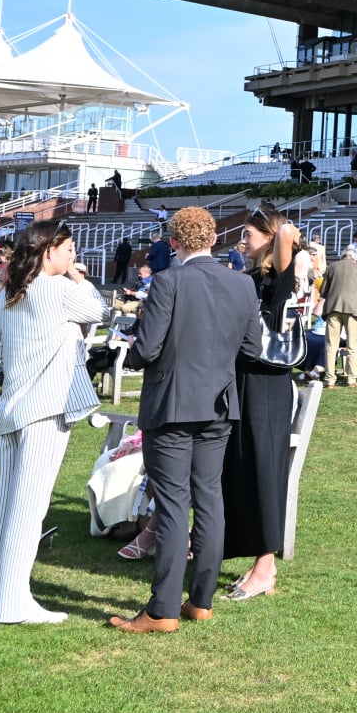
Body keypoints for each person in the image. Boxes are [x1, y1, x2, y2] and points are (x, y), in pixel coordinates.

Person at [109, 207, 262, 634]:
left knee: (175, 505)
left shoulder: (169, 280)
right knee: (209, 499)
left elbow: (149, 348)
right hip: (218, 404)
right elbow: (250, 348)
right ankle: (201, 600)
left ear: (174, 242)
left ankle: (161, 610)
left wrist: (129, 348)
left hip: (174, 405)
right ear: (212, 239)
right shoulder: (242, 283)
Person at [0, 222, 107, 624]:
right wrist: (75, 276)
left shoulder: (7, 294)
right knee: (28, 509)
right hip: (45, 409)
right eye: (68, 249)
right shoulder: (58, 289)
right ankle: (12, 601)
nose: (73, 257)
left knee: (0, 507)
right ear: (49, 251)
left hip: (12, 409)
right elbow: (98, 309)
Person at [222, 203, 301, 603]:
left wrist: (280, 231)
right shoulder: (252, 276)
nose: (242, 240)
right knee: (242, 467)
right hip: (244, 379)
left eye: (250, 233)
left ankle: (265, 566)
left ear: (268, 237)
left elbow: (288, 234)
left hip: (267, 382)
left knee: (264, 469)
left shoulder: (281, 277)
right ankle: (246, 552)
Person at [321, 244, 357, 386]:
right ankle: (351, 378)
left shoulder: (331, 267)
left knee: (331, 345)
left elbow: (323, 291)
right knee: (352, 344)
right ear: (354, 258)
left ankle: (329, 379)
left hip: (333, 309)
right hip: (353, 309)